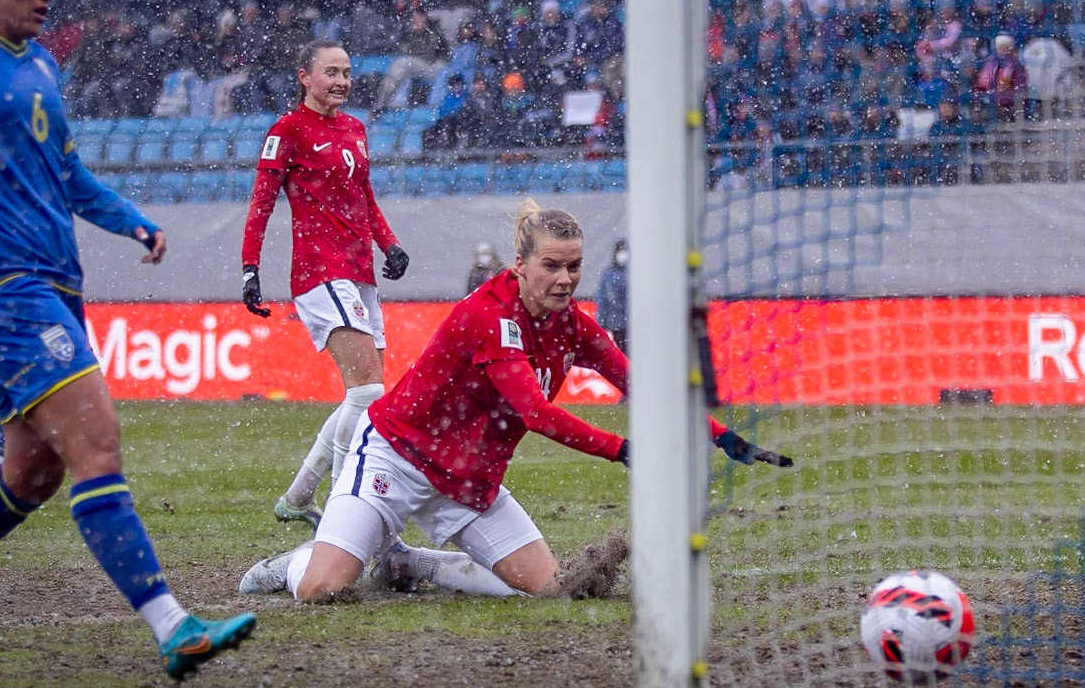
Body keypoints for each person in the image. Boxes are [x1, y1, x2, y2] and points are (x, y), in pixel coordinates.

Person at [0, 0, 256, 682]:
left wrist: (133, 221)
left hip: (55, 290)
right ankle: (174, 626)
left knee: (30, 476)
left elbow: (69, 177)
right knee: (98, 439)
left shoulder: (41, 66)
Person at [239, 201, 792, 602]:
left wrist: (723, 437)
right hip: (397, 457)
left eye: (573, 266)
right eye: (551, 266)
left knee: (555, 591)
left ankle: (414, 566)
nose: (565, 278)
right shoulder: (491, 316)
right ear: (520, 265)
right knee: (323, 590)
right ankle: (291, 564)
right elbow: (536, 413)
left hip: (469, 479)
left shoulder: (574, 325)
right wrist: (625, 451)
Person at [240, 40, 411, 529]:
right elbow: (262, 203)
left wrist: (389, 244)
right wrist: (250, 267)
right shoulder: (288, 130)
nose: (341, 81)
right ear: (305, 77)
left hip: (359, 272)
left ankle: (298, 498)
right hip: (320, 271)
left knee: (366, 395)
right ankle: (342, 512)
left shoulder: (355, 129)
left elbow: (365, 197)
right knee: (368, 393)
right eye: (330, 72)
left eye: (347, 73)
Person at [595, 238, 629, 353]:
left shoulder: (632, 273)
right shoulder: (609, 274)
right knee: (621, 350)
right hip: (617, 324)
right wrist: (601, 321)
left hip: (631, 323)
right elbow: (603, 298)